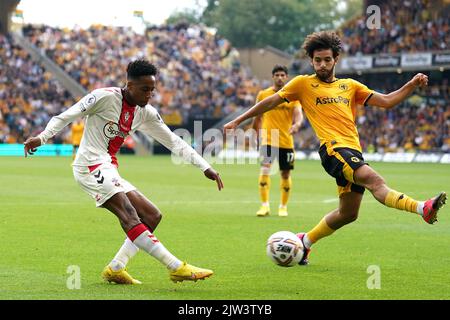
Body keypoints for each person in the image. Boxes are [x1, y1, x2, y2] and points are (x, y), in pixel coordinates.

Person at [224, 31, 446, 265]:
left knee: (348, 214)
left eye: (326, 60)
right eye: (317, 60)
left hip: (353, 150)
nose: (321, 65)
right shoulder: (302, 83)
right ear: (311, 60)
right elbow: (271, 101)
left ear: (335, 59)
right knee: (375, 181)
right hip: (333, 150)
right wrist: (239, 120)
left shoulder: (349, 86)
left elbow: (387, 101)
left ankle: (305, 242)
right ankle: (423, 208)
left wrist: (411, 84)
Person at [24, 59, 224, 284]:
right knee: (128, 213)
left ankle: (116, 268)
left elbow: (174, 141)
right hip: (89, 166)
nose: (149, 95)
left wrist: (205, 166)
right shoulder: (103, 97)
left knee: (151, 215)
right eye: (144, 89)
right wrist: (41, 137)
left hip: (109, 167)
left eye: (152, 90)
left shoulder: (145, 112)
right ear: (129, 85)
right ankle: (176, 266)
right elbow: (66, 116)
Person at [251, 65, 302, 217]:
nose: (280, 78)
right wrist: (255, 135)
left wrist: (297, 124)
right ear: (273, 77)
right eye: (277, 75)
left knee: (285, 174)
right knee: (265, 169)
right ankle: (264, 205)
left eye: (282, 75)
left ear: (286, 77)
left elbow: (298, 113)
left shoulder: (292, 96)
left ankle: (283, 206)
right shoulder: (263, 94)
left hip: (286, 141)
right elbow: (257, 117)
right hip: (268, 140)